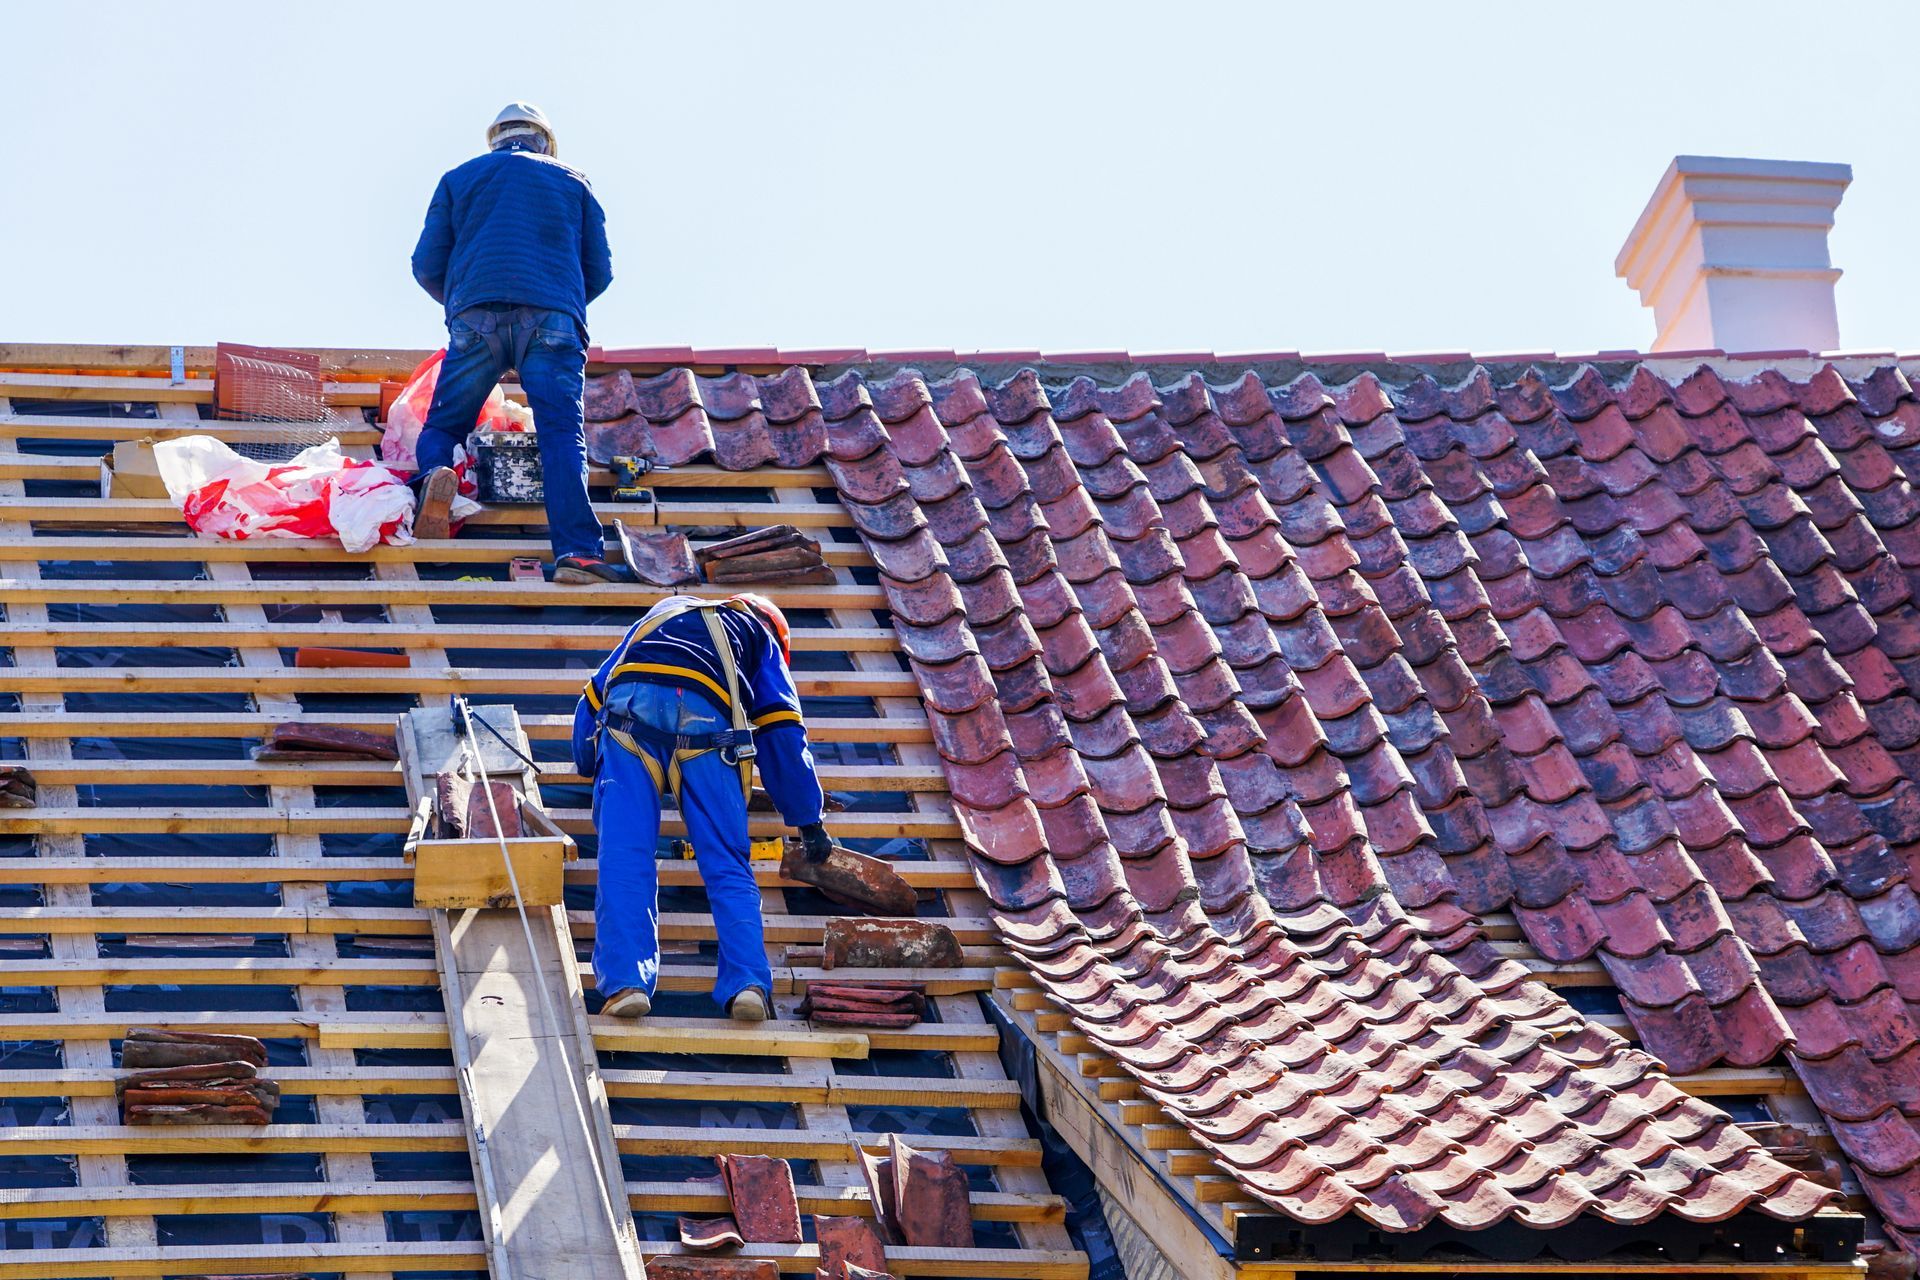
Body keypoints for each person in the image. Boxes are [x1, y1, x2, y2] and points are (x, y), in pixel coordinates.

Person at [572, 592, 835, 1020]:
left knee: (623, 858)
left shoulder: (658, 615)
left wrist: (589, 764)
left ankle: (625, 985)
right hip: (707, 728)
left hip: (626, 722)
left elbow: (593, 697)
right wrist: (808, 820)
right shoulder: (759, 636)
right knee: (729, 864)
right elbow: (782, 729)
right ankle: (748, 984)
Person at [409, 102, 628, 584]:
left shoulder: (458, 179)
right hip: (553, 319)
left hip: (475, 317)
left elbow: (426, 264)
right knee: (560, 435)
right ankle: (577, 555)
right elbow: (601, 271)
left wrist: (463, 306)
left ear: (495, 139)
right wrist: (557, 306)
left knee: (444, 424)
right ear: (545, 141)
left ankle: (433, 482)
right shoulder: (574, 181)